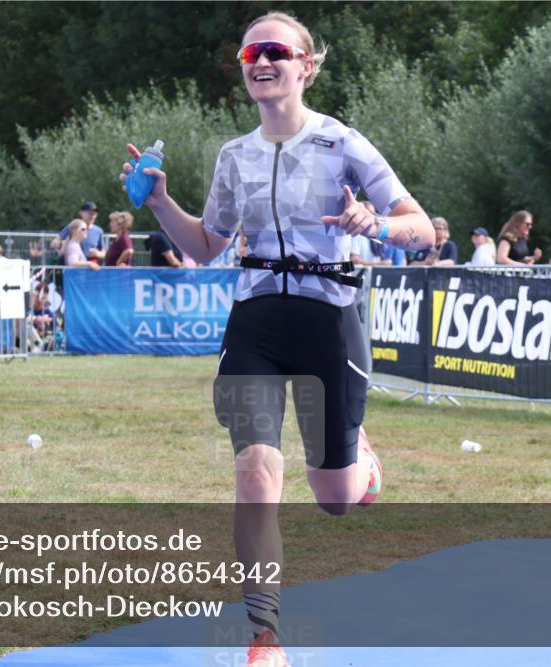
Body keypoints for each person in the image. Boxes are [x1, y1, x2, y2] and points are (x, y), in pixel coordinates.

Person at [119, 12, 433, 665]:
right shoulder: (234, 156)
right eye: (249, 53)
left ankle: (362, 463)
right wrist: (159, 202)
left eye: (275, 51)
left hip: (328, 321)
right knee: (257, 473)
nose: (261, 61)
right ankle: (265, 636)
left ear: (306, 66)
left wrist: (376, 223)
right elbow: (206, 246)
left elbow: (421, 227)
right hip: (256, 322)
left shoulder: (343, 143)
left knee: (335, 499)